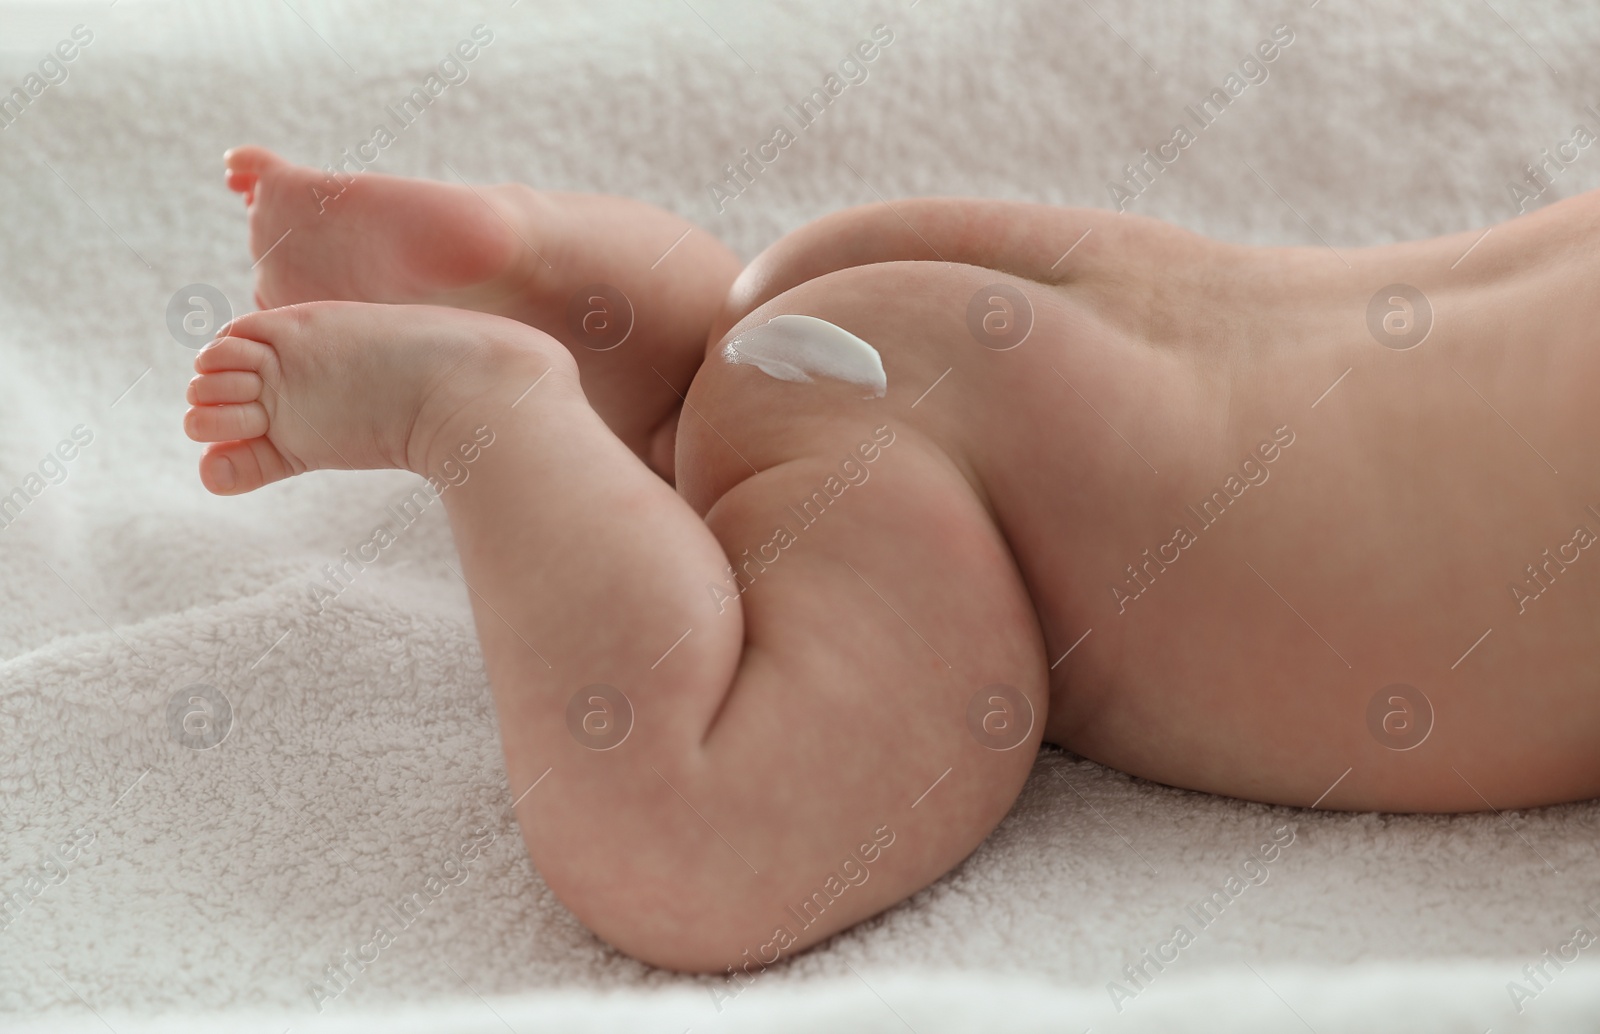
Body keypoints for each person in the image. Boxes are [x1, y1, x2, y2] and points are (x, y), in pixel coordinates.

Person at [185, 146, 1600, 972]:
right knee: (690, 833)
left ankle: (570, 291)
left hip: (999, 301)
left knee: (734, 387)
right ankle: (479, 405)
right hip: (982, 481)